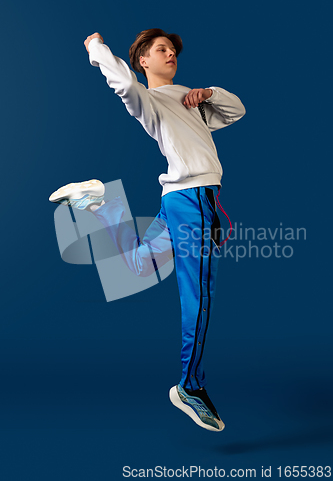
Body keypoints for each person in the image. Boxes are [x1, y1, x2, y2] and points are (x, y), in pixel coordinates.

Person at [49, 28, 246, 432]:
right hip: (193, 199)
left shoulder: (191, 99)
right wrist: (95, 48)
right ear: (144, 61)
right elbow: (123, 83)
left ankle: (97, 202)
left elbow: (237, 110)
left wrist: (208, 93)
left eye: (173, 49)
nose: (170, 53)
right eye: (161, 49)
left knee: (138, 266)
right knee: (200, 292)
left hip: (179, 200)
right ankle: (190, 387)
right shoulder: (149, 100)